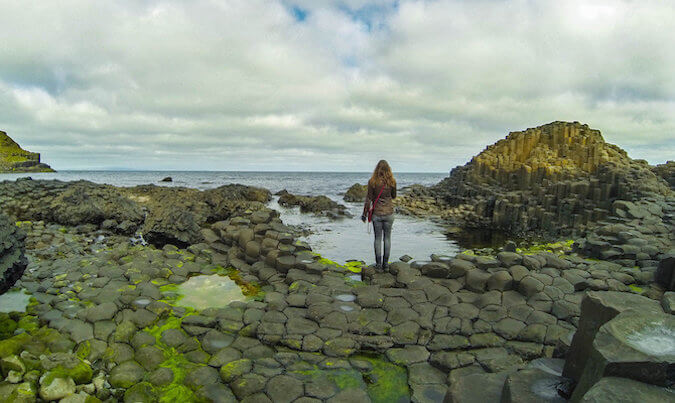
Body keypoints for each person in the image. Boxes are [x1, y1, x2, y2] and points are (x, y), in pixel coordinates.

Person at [361, 160, 397, 271]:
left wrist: (364, 214)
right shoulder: (392, 181)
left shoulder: (372, 182)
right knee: (387, 238)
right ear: (388, 169)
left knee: (377, 239)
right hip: (389, 213)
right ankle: (386, 265)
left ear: (377, 169)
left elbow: (369, 199)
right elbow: (394, 196)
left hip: (377, 214)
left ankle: (378, 265)